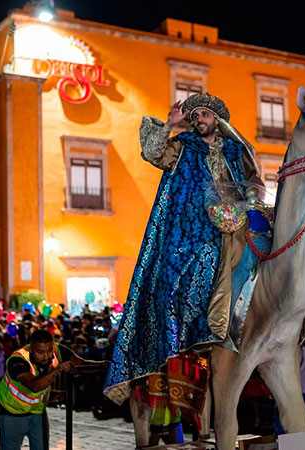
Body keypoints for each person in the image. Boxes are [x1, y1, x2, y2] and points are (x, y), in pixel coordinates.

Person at [104, 93, 266, 409]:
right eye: (193, 117)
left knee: (271, 248)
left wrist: (249, 198)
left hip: (238, 221)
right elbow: (152, 152)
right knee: (185, 269)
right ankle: (197, 330)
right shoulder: (184, 146)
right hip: (195, 227)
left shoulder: (236, 149)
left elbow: (255, 180)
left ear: (216, 119)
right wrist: (170, 124)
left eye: (203, 115)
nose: (198, 120)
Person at [0, 330, 76, 450]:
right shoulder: (17, 360)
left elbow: (80, 363)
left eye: (49, 350)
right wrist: (57, 370)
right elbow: (34, 386)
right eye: (40, 352)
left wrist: (106, 365)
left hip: (37, 413)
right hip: (11, 414)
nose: (47, 356)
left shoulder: (57, 350)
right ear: (31, 349)